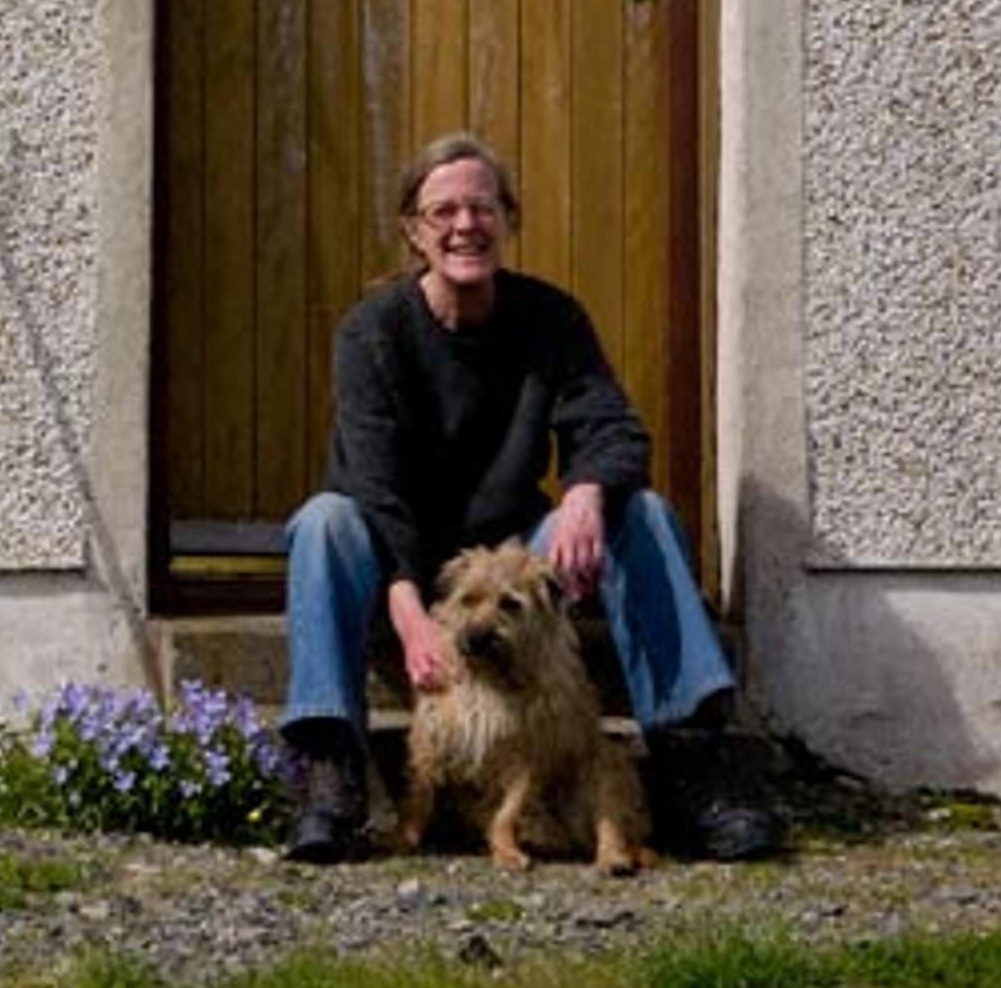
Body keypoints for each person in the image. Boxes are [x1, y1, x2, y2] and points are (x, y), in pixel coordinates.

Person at [278, 132, 779, 865]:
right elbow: (373, 489)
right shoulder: (372, 333)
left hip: (513, 563)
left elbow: (612, 427)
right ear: (414, 230)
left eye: (481, 206)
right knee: (323, 523)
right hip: (403, 563)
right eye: (442, 210)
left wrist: (584, 492)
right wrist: (413, 614)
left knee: (638, 512)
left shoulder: (550, 318)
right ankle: (328, 775)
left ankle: (699, 769)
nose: (464, 225)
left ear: (508, 218)